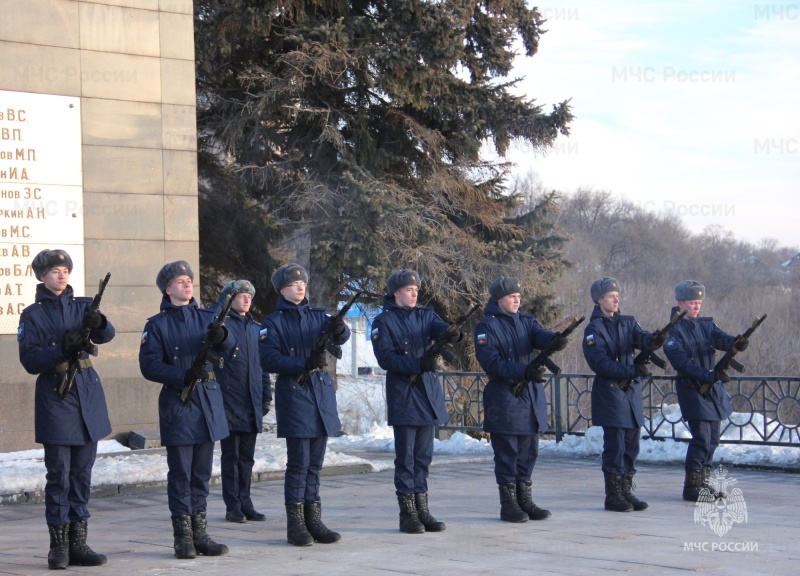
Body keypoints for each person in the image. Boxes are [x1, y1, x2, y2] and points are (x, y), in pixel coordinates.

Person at [17, 249, 113, 569]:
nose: (62, 274)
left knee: (82, 475)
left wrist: (98, 322)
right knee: (59, 475)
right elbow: (30, 361)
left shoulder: (84, 305)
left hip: (86, 394)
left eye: (65, 269)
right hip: (56, 397)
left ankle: (78, 543)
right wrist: (61, 349)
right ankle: (58, 547)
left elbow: (107, 334)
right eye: (55, 270)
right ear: (41, 276)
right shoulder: (32, 315)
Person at [138, 261, 230, 559]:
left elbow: (229, 348)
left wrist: (223, 338)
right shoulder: (157, 325)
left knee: (201, 474)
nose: (187, 285)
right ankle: (183, 538)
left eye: (189, 280)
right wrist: (181, 376)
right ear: (168, 289)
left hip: (207, 402)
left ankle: (200, 533)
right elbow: (149, 365)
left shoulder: (208, 316)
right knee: (181, 474)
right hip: (180, 403)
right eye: (180, 281)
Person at [259, 263, 350, 546]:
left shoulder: (320, 314)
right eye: (294, 284)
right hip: (296, 393)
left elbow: (341, 338)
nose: (301, 287)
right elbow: (268, 359)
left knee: (316, 464)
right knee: (299, 463)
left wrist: (340, 328)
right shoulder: (272, 323)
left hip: (321, 394)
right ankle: (296, 524)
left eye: (304, 284)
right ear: (281, 289)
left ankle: (314, 519)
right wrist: (301, 363)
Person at [473, 276, 568, 523]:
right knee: (507, 453)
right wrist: (521, 371)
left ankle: (525, 500)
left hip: (529, 397)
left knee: (529, 451)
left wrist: (554, 340)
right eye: (512, 297)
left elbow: (540, 336)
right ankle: (509, 504)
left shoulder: (526, 321)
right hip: (504, 397)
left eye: (518, 297)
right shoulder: (487, 327)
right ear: (499, 300)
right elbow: (491, 362)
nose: (517, 301)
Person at [370, 269, 458, 534]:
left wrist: (453, 333)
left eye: (416, 289)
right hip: (404, 394)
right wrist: (417, 363)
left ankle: (423, 509)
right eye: (409, 289)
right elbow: (386, 359)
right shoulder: (382, 322)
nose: (414, 293)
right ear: (396, 293)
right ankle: (407, 513)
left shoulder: (426, 314)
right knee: (406, 458)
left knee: (423, 457)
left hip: (427, 394)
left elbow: (440, 329)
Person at [582, 277, 666, 512]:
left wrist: (655, 339)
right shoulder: (593, 330)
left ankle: (626, 490)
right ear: (599, 300)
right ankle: (613, 495)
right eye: (611, 295)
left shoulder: (628, 322)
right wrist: (631, 370)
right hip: (610, 394)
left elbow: (642, 337)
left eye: (617, 295)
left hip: (631, 394)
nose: (616, 298)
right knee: (616, 446)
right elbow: (599, 363)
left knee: (631, 444)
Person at [663, 280, 747, 501]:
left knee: (713, 439)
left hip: (711, 388)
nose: (697, 307)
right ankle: (691, 487)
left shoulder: (706, 324)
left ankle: (703, 482)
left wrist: (736, 342)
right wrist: (708, 376)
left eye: (699, 302)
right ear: (680, 303)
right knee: (701, 437)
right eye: (692, 302)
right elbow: (682, 364)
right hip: (692, 388)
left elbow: (720, 338)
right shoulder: (672, 332)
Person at [211, 280, 272, 523]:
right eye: (241, 295)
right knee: (231, 457)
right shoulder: (220, 325)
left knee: (247, 457)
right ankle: (232, 505)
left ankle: (246, 501)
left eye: (249, 295)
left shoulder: (256, 328)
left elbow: (263, 365)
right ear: (229, 298)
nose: (247, 299)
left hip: (251, 401)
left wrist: (266, 395)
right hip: (228, 401)